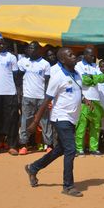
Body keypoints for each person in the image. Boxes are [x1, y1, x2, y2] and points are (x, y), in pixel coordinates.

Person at [24, 47, 90, 197]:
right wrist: (35, 122)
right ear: (62, 60)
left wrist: (85, 100)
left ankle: (33, 168)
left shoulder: (77, 75)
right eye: (70, 55)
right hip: (61, 118)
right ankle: (68, 186)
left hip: (72, 118)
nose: (74, 57)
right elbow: (47, 100)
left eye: (74, 54)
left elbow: (75, 92)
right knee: (71, 150)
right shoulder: (58, 77)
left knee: (60, 149)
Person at [17, 41, 53, 155]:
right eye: (29, 48)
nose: (30, 50)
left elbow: (48, 82)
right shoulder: (23, 62)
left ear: (39, 50)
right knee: (26, 120)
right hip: (27, 97)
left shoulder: (45, 64)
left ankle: (49, 144)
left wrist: (48, 98)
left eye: (33, 48)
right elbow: (19, 78)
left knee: (45, 121)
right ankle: (23, 144)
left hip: (41, 97)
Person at [74, 46, 104, 157]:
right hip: (85, 99)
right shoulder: (79, 66)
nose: (93, 57)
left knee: (96, 126)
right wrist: (94, 78)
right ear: (85, 54)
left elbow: (102, 78)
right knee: (82, 125)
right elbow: (85, 81)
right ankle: (79, 148)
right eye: (91, 55)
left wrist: (92, 77)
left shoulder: (95, 66)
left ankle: (94, 148)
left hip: (96, 99)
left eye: (94, 55)